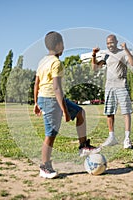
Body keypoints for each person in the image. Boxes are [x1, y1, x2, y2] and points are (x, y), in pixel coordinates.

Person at [34, 31, 100, 179]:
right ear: (58, 45)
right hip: (52, 100)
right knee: (50, 135)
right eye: (63, 44)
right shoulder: (56, 63)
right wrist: (64, 111)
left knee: (80, 112)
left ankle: (83, 146)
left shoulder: (42, 61)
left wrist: (36, 102)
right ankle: (44, 167)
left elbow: (37, 83)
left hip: (48, 98)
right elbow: (57, 88)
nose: (64, 47)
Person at [91, 34, 133, 149]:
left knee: (126, 112)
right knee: (109, 112)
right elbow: (95, 68)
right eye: (107, 43)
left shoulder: (122, 53)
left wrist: (126, 50)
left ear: (116, 42)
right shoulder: (106, 55)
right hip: (109, 87)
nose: (109, 45)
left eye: (111, 42)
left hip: (121, 86)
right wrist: (94, 55)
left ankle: (127, 139)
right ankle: (111, 138)